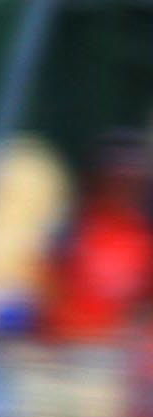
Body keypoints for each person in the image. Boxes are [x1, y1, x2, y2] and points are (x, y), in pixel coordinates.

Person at [39, 136, 153, 346]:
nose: (123, 189)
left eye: (131, 182)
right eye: (116, 179)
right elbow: (46, 289)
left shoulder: (144, 236)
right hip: (66, 345)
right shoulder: (72, 228)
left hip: (118, 351)